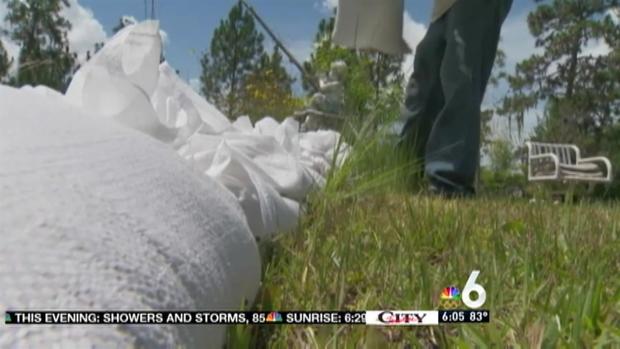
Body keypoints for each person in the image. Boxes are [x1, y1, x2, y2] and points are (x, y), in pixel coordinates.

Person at [399, 0, 513, 197]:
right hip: (443, 6)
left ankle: (449, 185)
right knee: (424, 80)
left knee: (460, 72)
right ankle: (403, 175)